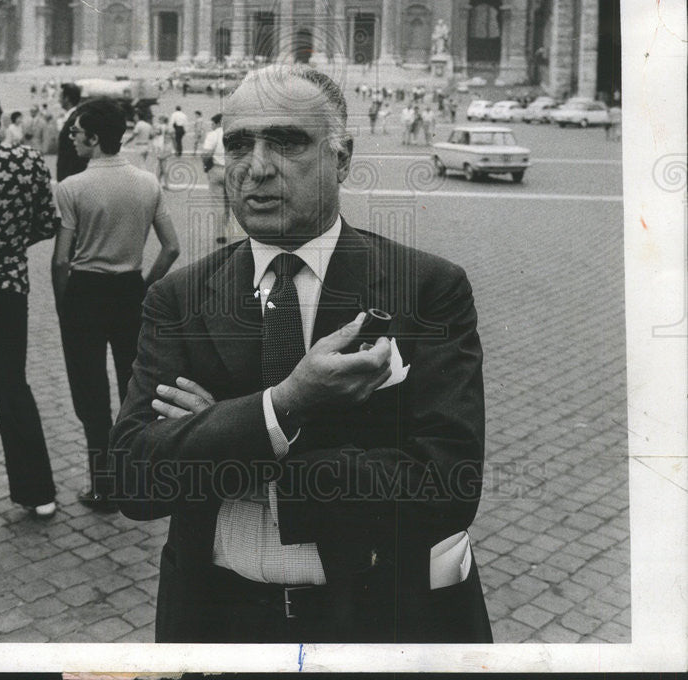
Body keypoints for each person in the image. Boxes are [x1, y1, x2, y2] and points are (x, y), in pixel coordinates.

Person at [110, 65, 491, 644]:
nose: (256, 166)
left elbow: (446, 488)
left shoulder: (426, 288)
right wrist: (285, 404)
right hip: (215, 618)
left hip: (377, 616)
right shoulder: (177, 297)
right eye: (238, 143)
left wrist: (227, 432)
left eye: (287, 142)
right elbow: (133, 478)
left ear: (341, 158)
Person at [52, 98, 180, 511]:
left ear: (93, 137)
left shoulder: (71, 188)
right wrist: (143, 287)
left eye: (76, 133)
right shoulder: (147, 183)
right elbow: (172, 248)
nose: (71, 139)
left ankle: (102, 485)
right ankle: (137, 480)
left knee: (90, 393)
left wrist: (62, 303)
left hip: (85, 293)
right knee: (133, 389)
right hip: (129, 290)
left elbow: (60, 259)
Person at [0, 72, 58, 537]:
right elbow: (45, 224)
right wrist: (5, 246)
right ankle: (38, 493)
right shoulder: (24, 159)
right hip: (8, 288)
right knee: (13, 387)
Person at [200, 112, 230, 245]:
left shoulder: (213, 135)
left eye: (213, 123)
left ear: (217, 123)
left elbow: (206, 154)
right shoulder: (233, 133)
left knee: (218, 203)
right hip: (232, 171)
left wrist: (207, 166)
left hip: (217, 170)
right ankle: (226, 228)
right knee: (229, 203)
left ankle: (220, 234)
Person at [56, 83, 87, 183]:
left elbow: (73, 153)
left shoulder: (74, 120)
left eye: (60, 96)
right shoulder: (74, 116)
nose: (58, 99)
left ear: (67, 98)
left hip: (71, 176)